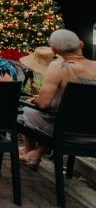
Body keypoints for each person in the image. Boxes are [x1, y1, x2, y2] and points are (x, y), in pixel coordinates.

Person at [20, 29, 96, 169]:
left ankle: (28, 153)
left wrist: (38, 100)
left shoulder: (57, 67)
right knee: (64, 114)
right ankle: (35, 154)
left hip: (64, 130)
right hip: (92, 132)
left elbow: (43, 105)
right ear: (81, 44)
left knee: (25, 111)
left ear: (54, 51)